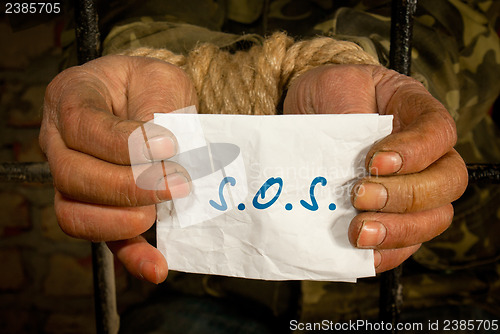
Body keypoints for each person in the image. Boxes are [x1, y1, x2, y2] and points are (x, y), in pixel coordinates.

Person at [40, 0, 499, 329]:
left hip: (430, 289)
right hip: (205, 284)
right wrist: (129, 80)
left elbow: (474, 21)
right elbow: (100, 13)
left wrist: (376, 77)